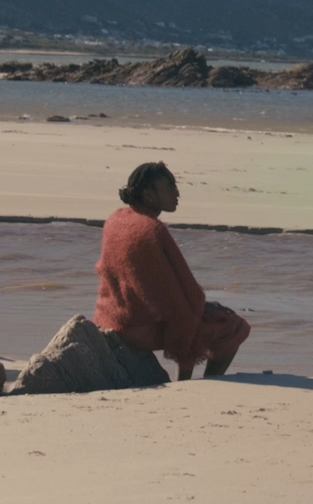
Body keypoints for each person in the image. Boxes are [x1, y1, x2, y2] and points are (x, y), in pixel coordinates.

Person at [94, 162, 250, 380]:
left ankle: (189, 380)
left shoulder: (116, 218)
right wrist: (203, 308)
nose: (177, 193)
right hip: (138, 330)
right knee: (233, 325)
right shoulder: (151, 231)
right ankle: (204, 382)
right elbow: (178, 303)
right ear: (149, 194)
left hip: (110, 318)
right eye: (169, 187)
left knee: (194, 312)